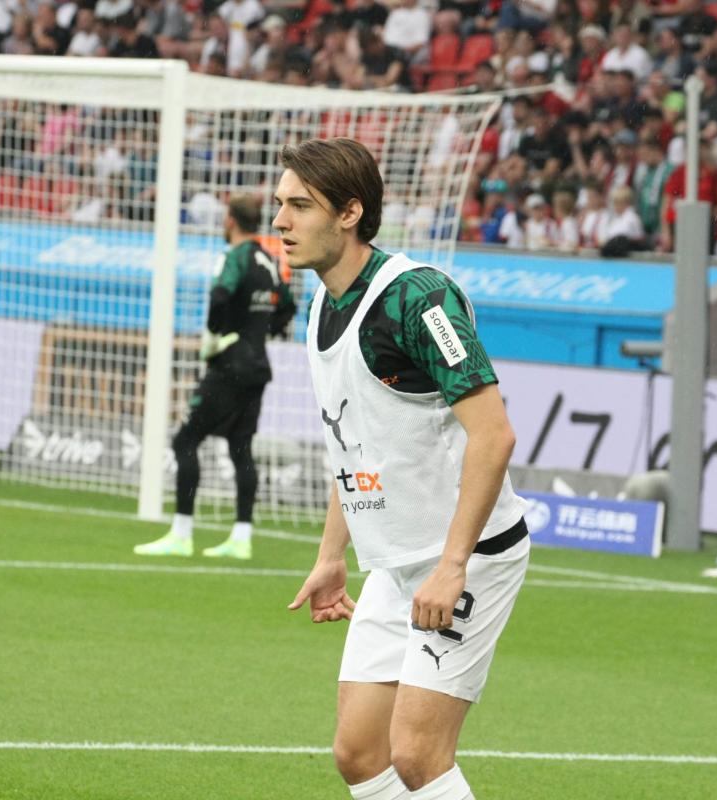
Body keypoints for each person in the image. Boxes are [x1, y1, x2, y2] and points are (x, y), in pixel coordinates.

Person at [278, 138, 529, 800]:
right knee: (360, 755)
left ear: (349, 213)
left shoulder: (419, 298)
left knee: (419, 754)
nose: (280, 221)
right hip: (396, 565)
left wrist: (453, 566)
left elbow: (494, 436)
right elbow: (356, 446)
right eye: (281, 204)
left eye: (300, 206)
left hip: (469, 557)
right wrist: (332, 554)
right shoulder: (323, 303)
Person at [134, 195, 295, 559]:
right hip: (257, 366)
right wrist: (261, 333)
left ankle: (181, 534)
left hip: (230, 365)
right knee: (241, 448)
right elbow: (288, 306)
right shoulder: (269, 260)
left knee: (185, 440)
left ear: (230, 220)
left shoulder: (234, 257)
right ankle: (241, 538)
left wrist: (214, 335)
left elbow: (220, 295)